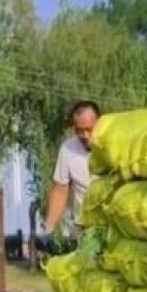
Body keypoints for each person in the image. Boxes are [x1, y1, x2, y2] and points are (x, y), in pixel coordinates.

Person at [44, 100, 100, 238]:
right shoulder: (68, 149)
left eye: (89, 129)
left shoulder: (114, 145)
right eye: (79, 130)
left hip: (113, 225)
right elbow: (60, 190)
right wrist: (48, 230)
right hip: (85, 228)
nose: (85, 135)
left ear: (99, 122)